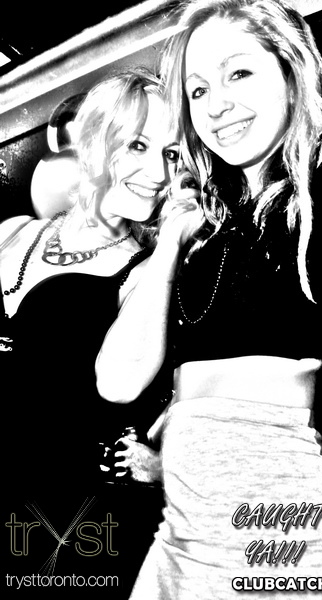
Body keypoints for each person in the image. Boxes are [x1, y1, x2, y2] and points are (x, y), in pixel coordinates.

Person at [95, 1, 322, 598]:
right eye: (198, 90)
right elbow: (118, 381)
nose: (215, 105)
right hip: (185, 528)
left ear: (292, 72)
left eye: (239, 73)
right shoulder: (210, 236)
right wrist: (170, 244)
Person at [0, 68, 183, 598]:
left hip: (60, 527)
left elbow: (121, 386)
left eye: (172, 155)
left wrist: (171, 241)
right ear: (95, 140)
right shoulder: (12, 233)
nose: (158, 172)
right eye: (138, 145)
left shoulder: (145, 273)